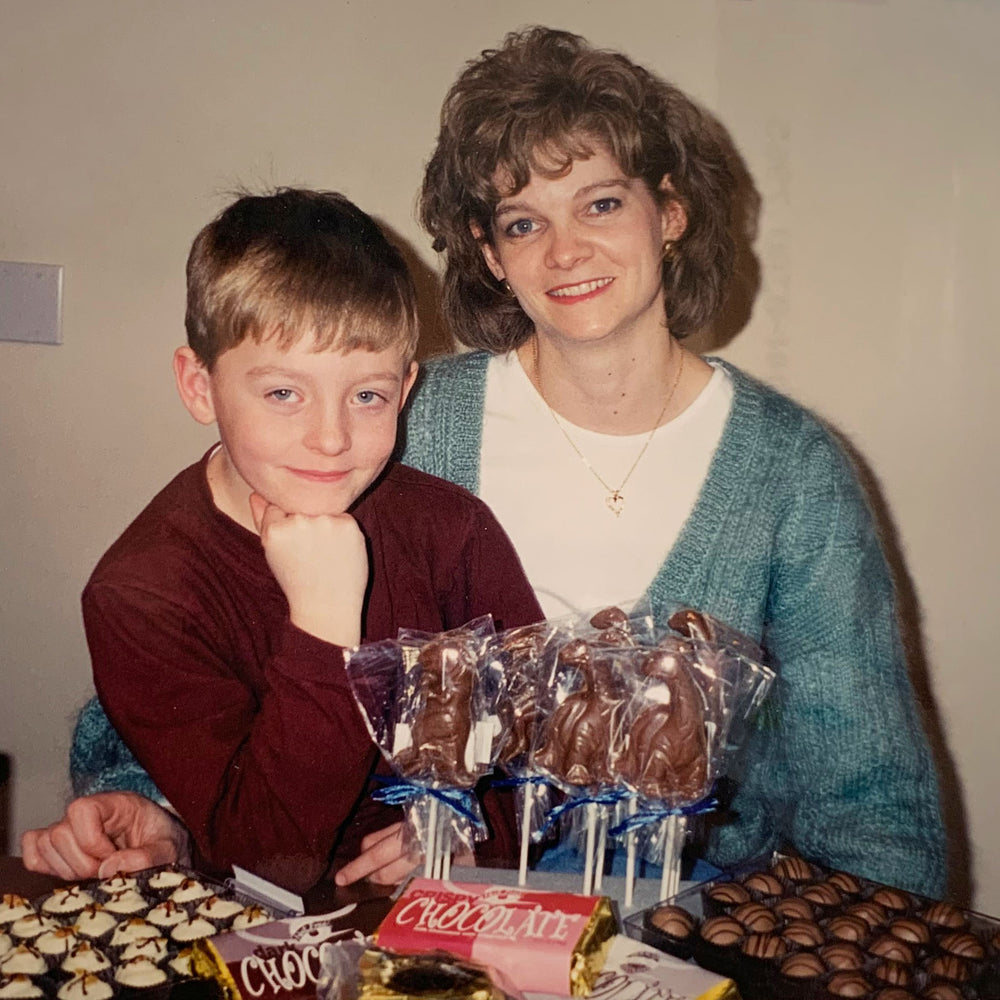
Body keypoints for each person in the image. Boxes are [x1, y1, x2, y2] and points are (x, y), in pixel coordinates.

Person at [25, 27, 946, 898]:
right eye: (520, 222)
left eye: (601, 203)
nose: (566, 249)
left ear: (670, 212)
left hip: (689, 915)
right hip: (419, 912)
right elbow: (212, 631)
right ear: (488, 254)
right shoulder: (392, 419)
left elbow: (868, 799)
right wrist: (147, 797)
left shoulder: (791, 471)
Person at [20, 188, 542, 894]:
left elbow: (540, 745)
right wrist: (323, 625)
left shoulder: (452, 530)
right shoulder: (142, 595)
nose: (330, 438)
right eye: (282, 394)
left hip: (442, 917)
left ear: (407, 386)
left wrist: (473, 826)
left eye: (367, 396)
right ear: (198, 385)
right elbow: (265, 861)